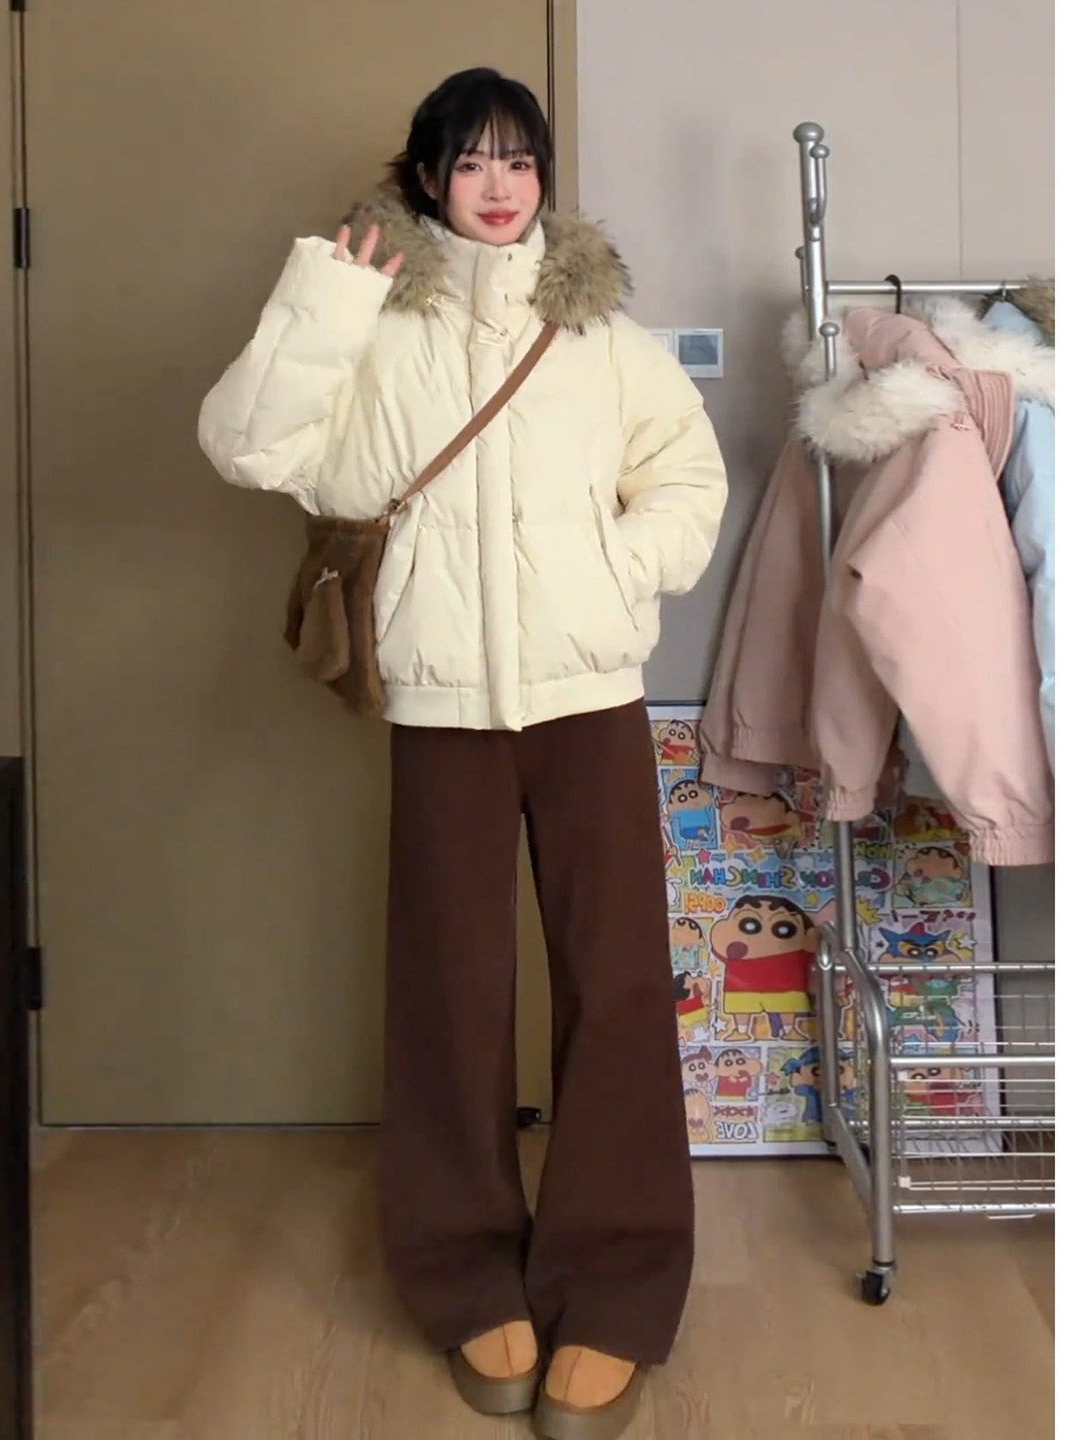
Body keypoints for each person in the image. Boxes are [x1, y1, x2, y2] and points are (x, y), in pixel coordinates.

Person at [198, 67, 727, 1439]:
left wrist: (620, 571)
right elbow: (249, 448)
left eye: (521, 160)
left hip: (588, 698)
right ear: (429, 178)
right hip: (440, 705)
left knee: (618, 987)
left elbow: (687, 476)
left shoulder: (600, 335)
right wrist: (327, 297)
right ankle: (463, 1274)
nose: (501, 186)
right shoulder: (369, 321)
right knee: (450, 993)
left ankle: (615, 1288)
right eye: (473, 161)